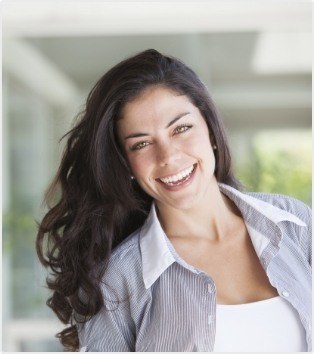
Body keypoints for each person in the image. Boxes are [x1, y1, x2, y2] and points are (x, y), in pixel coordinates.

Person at [36, 49, 312, 352]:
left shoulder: (294, 223)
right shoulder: (120, 282)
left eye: (181, 128)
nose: (168, 157)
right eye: (141, 143)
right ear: (125, 164)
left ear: (211, 129)